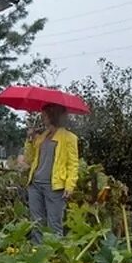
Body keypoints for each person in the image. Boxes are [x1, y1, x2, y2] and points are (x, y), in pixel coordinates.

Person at [24, 104, 79, 242]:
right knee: (36, 223)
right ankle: (37, 253)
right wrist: (30, 140)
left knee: (54, 224)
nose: (42, 118)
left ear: (52, 115)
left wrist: (70, 186)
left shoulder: (69, 138)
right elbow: (29, 159)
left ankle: (54, 258)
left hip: (54, 187)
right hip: (35, 185)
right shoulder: (42, 136)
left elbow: (73, 164)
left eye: (44, 115)